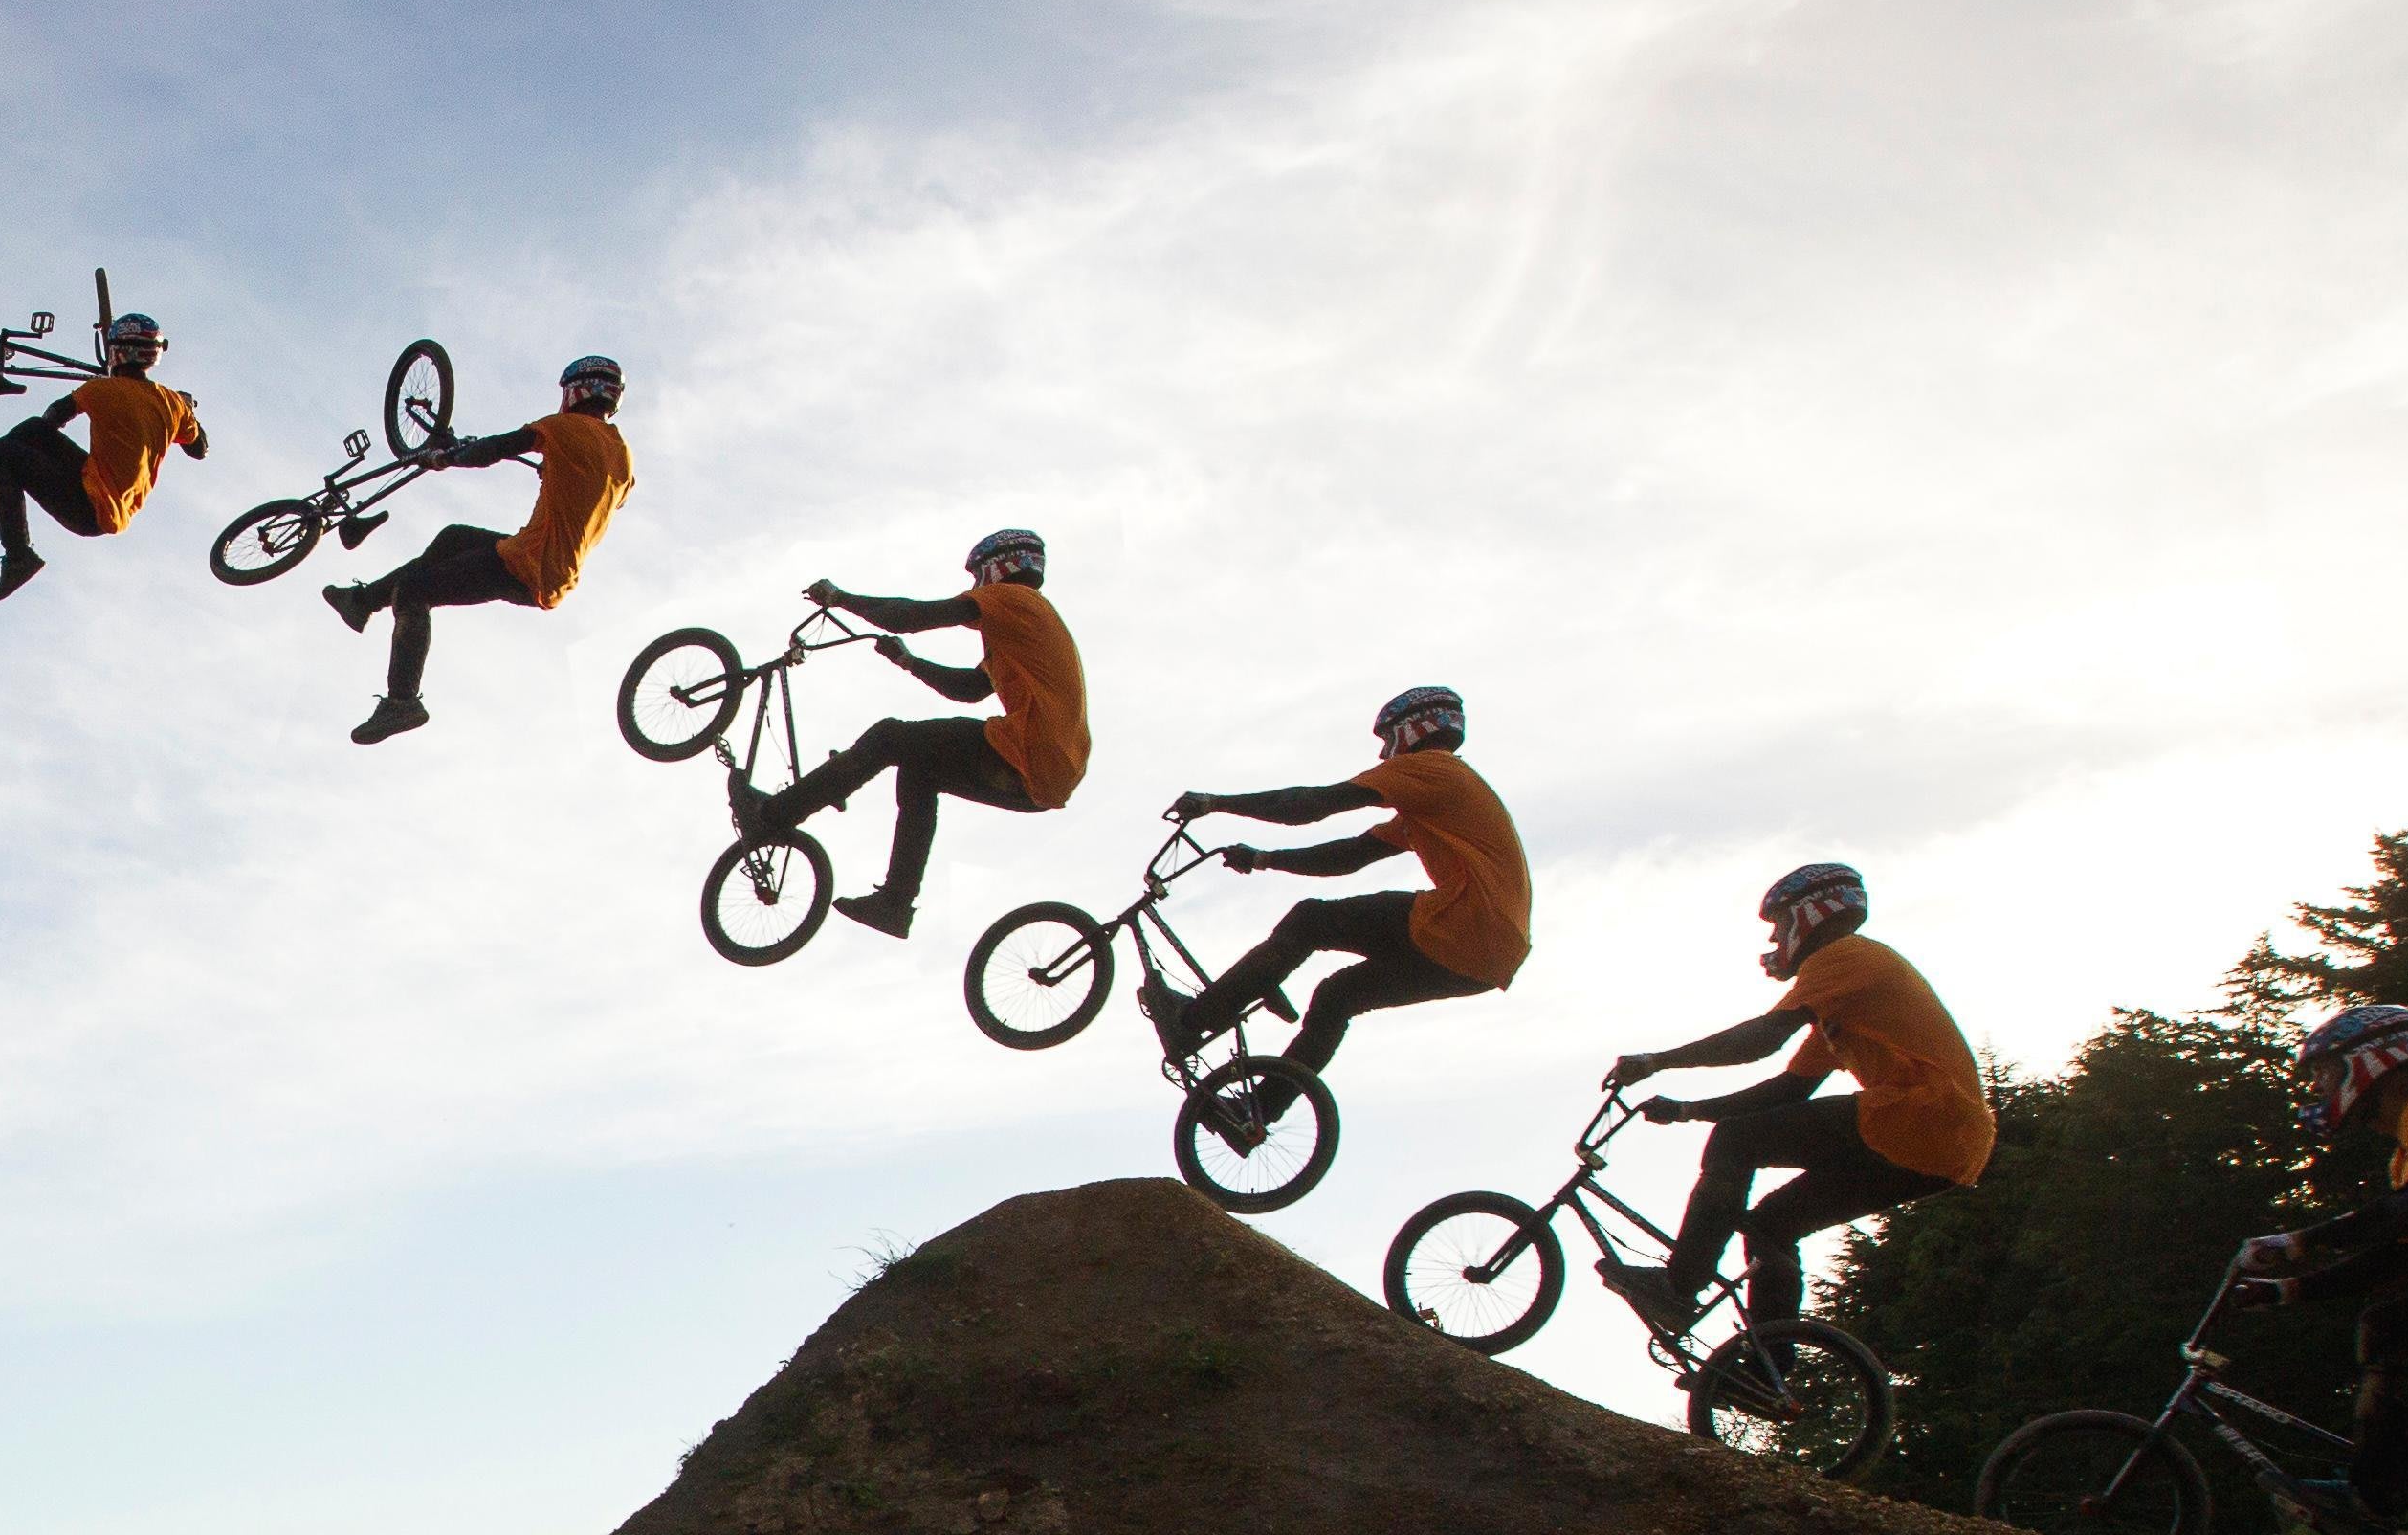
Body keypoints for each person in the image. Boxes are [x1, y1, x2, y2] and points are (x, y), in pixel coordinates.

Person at [1596, 866, 1997, 1343]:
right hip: (1947, 1149)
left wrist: (1655, 1060)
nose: (1773, 937)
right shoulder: (1843, 1005)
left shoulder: (1844, 955)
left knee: (1736, 1141)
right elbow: (1787, 1091)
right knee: (1771, 1225)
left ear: (1810, 913)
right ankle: (1771, 1376)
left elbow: (1760, 1039)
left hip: (1922, 1116)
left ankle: (1679, 1287)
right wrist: (1689, 1110)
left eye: (1779, 923)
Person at [726, 527, 1086, 931]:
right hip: (1046, 776)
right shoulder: (1023, 626)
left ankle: (772, 815)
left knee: (890, 737)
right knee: (919, 772)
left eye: (976, 577)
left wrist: (841, 598)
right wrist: (909, 663)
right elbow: (969, 688)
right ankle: (895, 905)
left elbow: (911, 616)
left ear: (997, 567)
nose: (973, 587)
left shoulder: (1012, 599)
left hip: (1029, 751)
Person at [1157, 685, 1525, 1076]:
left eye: (1387, 740)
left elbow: (1311, 804)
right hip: (1488, 958)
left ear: (1414, 728)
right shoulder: (1437, 800)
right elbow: (1349, 856)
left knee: (1310, 921)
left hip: (1466, 924)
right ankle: (1256, 1116)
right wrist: (1264, 859)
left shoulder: (1433, 769)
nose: (1383, 754)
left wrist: (1216, 803)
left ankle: (1193, 1020)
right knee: (1337, 996)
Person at [320, 354, 634, 746]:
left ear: (576, 390)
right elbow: (603, 492)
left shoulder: (564, 429)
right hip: (545, 563)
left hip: (526, 565)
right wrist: (553, 468)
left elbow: (496, 449)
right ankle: (363, 600)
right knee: (453, 539)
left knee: (415, 591)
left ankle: (402, 701)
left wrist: (447, 457)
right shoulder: (621, 453)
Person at [2237, 1002, 2408, 1535]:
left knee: (2392, 1326)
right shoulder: (2406, 1153)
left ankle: (2374, 1501)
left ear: (2369, 1061)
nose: (2321, 1091)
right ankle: (2394, 1492)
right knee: (2397, 1324)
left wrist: (2303, 1241)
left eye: (2326, 1074)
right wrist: (2288, 1290)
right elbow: (2402, 1253)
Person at [0, 311, 204, 603]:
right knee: (31, 432)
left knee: (2, 452)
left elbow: (55, 415)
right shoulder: (172, 404)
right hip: (95, 483)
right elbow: (198, 449)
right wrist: (184, 412)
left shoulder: (101, 391)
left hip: (91, 508)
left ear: (116, 352)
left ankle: (19, 555)